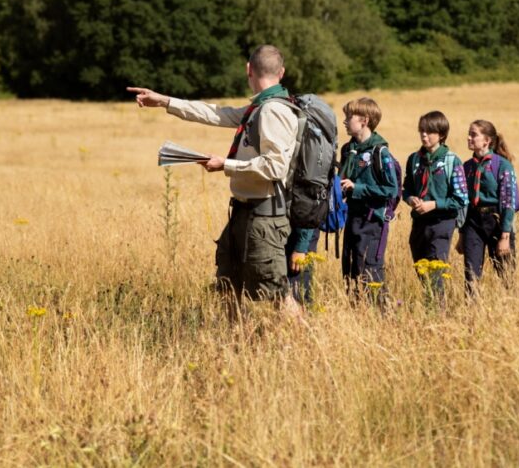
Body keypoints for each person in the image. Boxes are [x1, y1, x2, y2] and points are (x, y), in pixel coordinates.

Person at [128, 44, 303, 319]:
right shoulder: (257, 108)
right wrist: (164, 101)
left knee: (276, 295)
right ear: (281, 72)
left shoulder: (273, 111)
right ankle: (237, 344)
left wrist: (226, 164)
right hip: (244, 214)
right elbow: (215, 113)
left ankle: (308, 346)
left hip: (265, 217)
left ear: (248, 69)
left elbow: (275, 167)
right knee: (227, 285)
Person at [403, 111, 468, 307]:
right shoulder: (414, 159)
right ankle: (429, 302)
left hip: (441, 223)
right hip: (419, 223)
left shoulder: (451, 161)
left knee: (436, 268)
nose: (424, 135)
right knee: (421, 267)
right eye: (421, 131)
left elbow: (461, 198)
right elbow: (406, 189)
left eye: (429, 131)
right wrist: (410, 199)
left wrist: (434, 204)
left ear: (441, 134)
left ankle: (438, 309)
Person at [339, 97, 399, 305]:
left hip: (372, 220)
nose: (345, 121)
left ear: (364, 120)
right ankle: (358, 313)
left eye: (349, 117)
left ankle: (381, 313)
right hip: (352, 217)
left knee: (370, 269)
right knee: (351, 269)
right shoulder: (348, 150)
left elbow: (391, 189)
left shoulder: (380, 152)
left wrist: (359, 188)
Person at [456, 119, 518, 296]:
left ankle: (511, 311)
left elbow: (508, 201)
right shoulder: (466, 167)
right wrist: (461, 234)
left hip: (497, 222)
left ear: (487, 140)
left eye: (473, 134)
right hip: (473, 223)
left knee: (505, 273)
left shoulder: (502, 166)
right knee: (471, 275)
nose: (469, 137)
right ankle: (472, 315)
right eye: (469, 133)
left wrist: (505, 235)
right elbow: (463, 202)